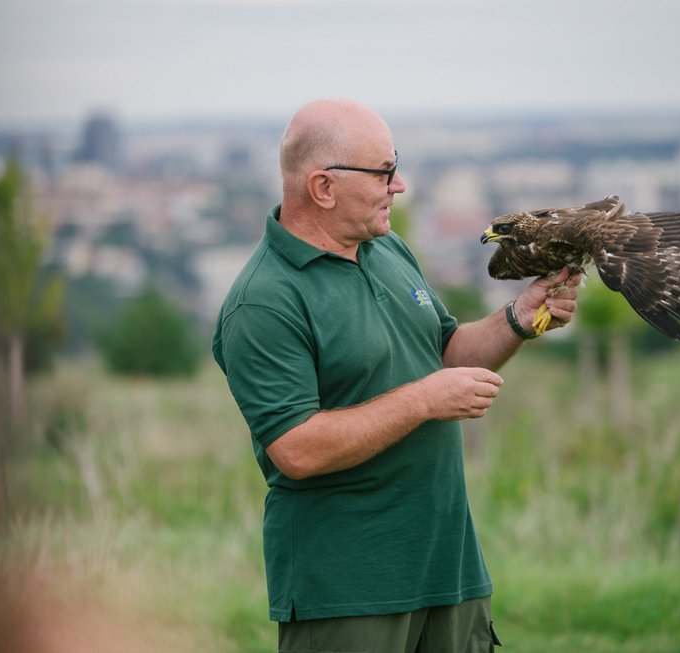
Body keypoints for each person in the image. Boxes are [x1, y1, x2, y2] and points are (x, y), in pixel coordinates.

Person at [211, 98, 581, 653]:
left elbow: (447, 357)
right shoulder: (263, 303)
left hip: (449, 570)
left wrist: (518, 319)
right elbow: (297, 449)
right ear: (323, 188)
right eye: (384, 171)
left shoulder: (388, 249)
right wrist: (423, 401)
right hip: (349, 590)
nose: (399, 184)